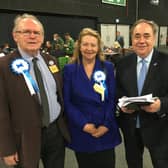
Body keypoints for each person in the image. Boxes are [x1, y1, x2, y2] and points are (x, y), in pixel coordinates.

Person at [0, 13, 70, 168]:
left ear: (43, 37)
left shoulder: (51, 60)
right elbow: (1, 112)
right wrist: (6, 148)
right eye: (26, 32)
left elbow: (58, 95)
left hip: (55, 133)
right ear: (15, 35)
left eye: (36, 33)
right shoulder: (4, 66)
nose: (32, 36)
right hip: (24, 138)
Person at [63, 28, 121, 168]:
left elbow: (112, 99)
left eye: (93, 45)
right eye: (85, 44)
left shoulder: (107, 67)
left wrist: (106, 125)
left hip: (105, 130)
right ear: (79, 46)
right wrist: (83, 124)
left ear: (98, 47)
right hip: (82, 130)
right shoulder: (69, 70)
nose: (89, 48)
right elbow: (67, 102)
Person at [116, 19, 168, 168]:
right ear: (132, 39)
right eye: (137, 36)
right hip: (131, 128)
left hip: (159, 129)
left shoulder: (166, 62)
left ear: (154, 38)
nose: (141, 41)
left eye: (146, 36)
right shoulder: (122, 63)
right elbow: (118, 91)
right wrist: (121, 104)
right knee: (133, 164)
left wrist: (161, 105)